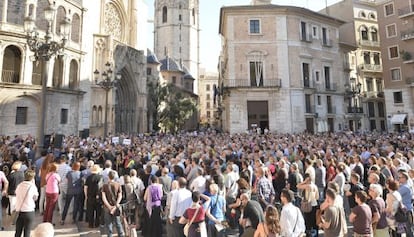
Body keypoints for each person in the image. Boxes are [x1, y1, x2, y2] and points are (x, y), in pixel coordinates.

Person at [14, 170, 39, 237]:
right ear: (32, 178)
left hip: (19, 210)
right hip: (29, 210)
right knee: (27, 232)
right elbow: (35, 198)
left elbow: (16, 194)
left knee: (18, 232)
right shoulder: (32, 187)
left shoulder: (19, 185)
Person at [102, 170, 125, 237]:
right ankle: (121, 235)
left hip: (107, 207)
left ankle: (110, 235)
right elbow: (120, 196)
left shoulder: (105, 186)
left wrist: (109, 206)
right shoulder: (118, 185)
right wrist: (116, 205)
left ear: (108, 177)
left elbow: (104, 197)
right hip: (116, 206)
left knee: (108, 224)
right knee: (118, 222)